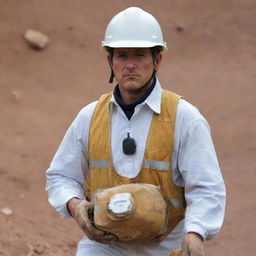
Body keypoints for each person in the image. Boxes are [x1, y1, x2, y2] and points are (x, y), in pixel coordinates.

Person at [45, 7, 226, 256]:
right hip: (104, 246)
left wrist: (195, 233)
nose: (130, 65)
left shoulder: (185, 117)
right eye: (121, 55)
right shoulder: (89, 117)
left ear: (157, 60)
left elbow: (207, 187)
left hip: (166, 247)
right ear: (110, 61)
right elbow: (60, 176)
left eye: (140, 55)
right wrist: (76, 206)